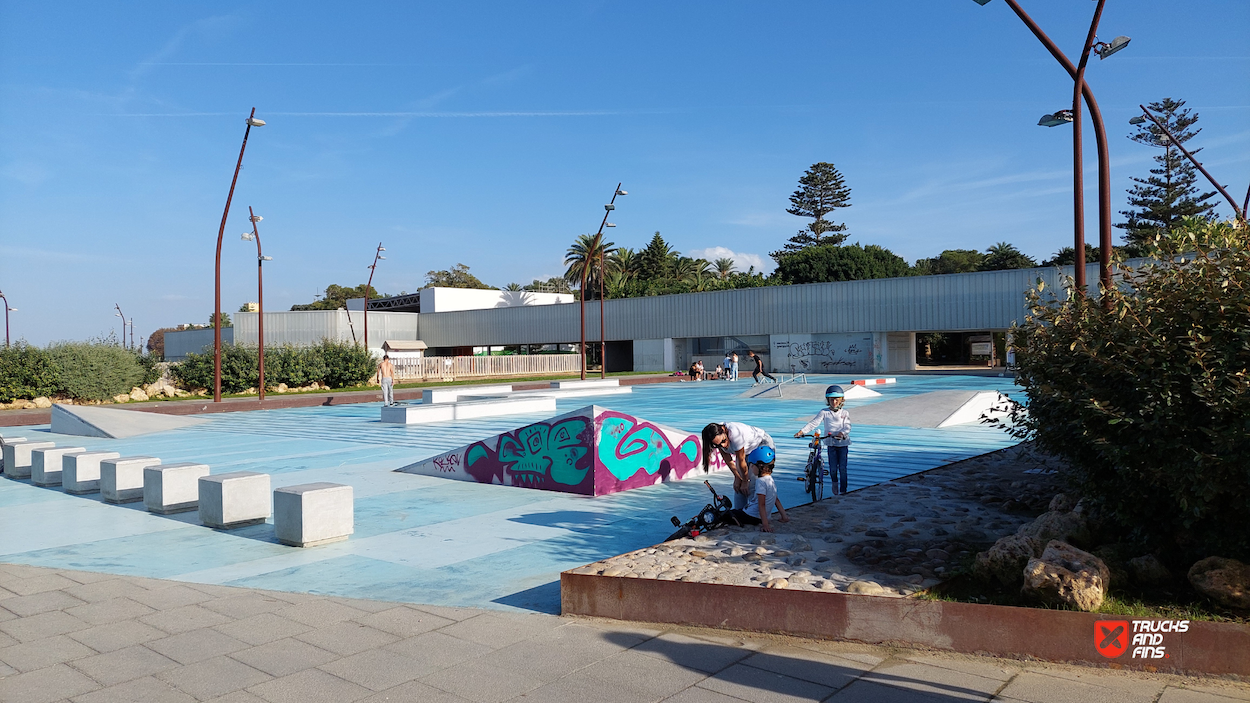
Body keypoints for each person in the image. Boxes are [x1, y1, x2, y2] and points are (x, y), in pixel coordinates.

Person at [702, 421, 775, 510]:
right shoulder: (714, 434)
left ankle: (757, 514)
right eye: (718, 445)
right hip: (747, 450)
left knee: (752, 484)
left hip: (761, 445)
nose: (723, 445)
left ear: (724, 430)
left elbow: (741, 460)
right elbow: (727, 459)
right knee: (738, 487)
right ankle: (740, 512)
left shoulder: (735, 434)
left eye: (724, 441)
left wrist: (745, 480)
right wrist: (737, 477)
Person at [794, 385, 851, 495]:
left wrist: (842, 433)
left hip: (842, 443)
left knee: (843, 468)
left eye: (836, 400)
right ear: (828, 400)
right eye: (831, 400)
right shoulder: (824, 412)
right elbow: (813, 423)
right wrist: (802, 431)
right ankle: (835, 482)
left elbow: (847, 426)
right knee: (833, 468)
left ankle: (843, 490)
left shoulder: (845, 413)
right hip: (831, 443)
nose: (834, 402)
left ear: (841, 400)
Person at [728, 446, 790, 532]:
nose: (750, 468)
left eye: (751, 465)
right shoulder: (770, 480)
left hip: (753, 517)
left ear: (760, 467)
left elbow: (762, 504)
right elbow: (776, 500)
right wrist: (784, 516)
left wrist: (765, 525)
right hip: (758, 516)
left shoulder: (760, 482)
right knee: (737, 512)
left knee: (727, 515)